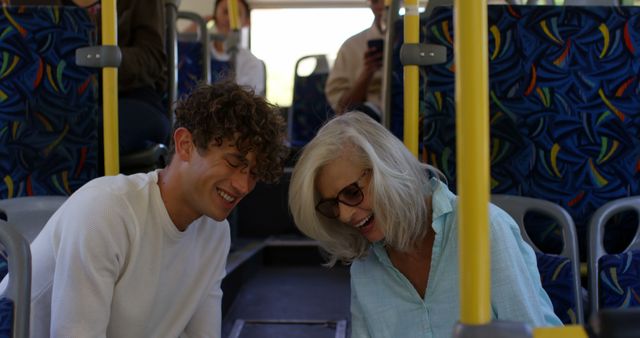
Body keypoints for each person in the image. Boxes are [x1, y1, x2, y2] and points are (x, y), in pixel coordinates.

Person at [0, 81, 288, 337]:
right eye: (234, 163)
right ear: (185, 145)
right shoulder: (107, 211)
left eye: (253, 173)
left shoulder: (215, 233)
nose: (243, 185)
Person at [288, 112, 562, 338]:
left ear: (388, 169)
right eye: (332, 206)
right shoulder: (365, 270)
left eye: (351, 193)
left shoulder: (483, 230)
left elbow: (529, 331)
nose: (346, 215)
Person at [325, 0, 385, 117]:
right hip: (369, 124)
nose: (382, 5)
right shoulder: (350, 48)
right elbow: (342, 108)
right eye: (376, 1)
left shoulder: (420, 40)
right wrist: (367, 73)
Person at [211, 0, 266, 96]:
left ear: (247, 21)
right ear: (214, 17)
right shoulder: (195, 53)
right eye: (225, 12)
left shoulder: (252, 63)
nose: (229, 19)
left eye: (237, 14)